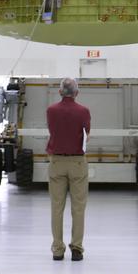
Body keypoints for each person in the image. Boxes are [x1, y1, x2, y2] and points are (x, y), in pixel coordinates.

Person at [46, 76, 91, 262]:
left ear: (59, 92)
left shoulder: (51, 111)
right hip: (77, 163)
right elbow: (86, 135)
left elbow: (52, 131)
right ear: (76, 92)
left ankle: (57, 249)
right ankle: (77, 249)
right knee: (78, 208)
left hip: (56, 161)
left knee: (57, 207)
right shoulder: (83, 111)